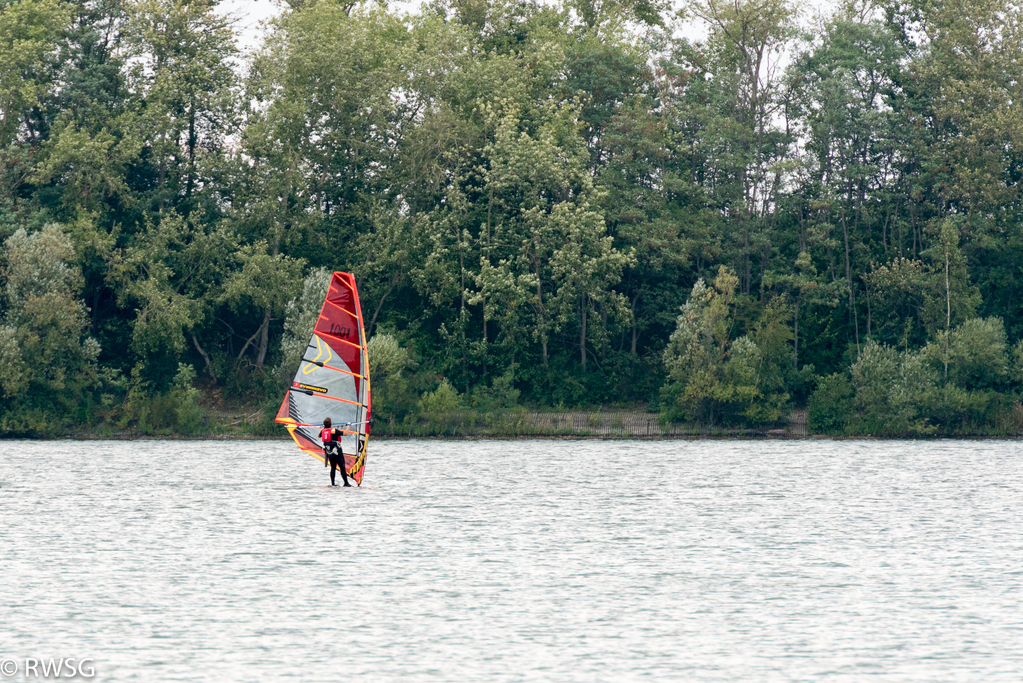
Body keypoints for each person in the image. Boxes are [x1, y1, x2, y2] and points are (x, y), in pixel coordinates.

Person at [319, 417, 351, 487]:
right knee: (342, 467)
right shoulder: (334, 431)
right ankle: (346, 483)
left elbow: (319, 435)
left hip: (329, 453)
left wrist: (323, 429)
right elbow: (345, 433)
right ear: (331, 424)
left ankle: (332, 484)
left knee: (333, 467)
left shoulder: (323, 431)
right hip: (337, 452)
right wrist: (348, 426)